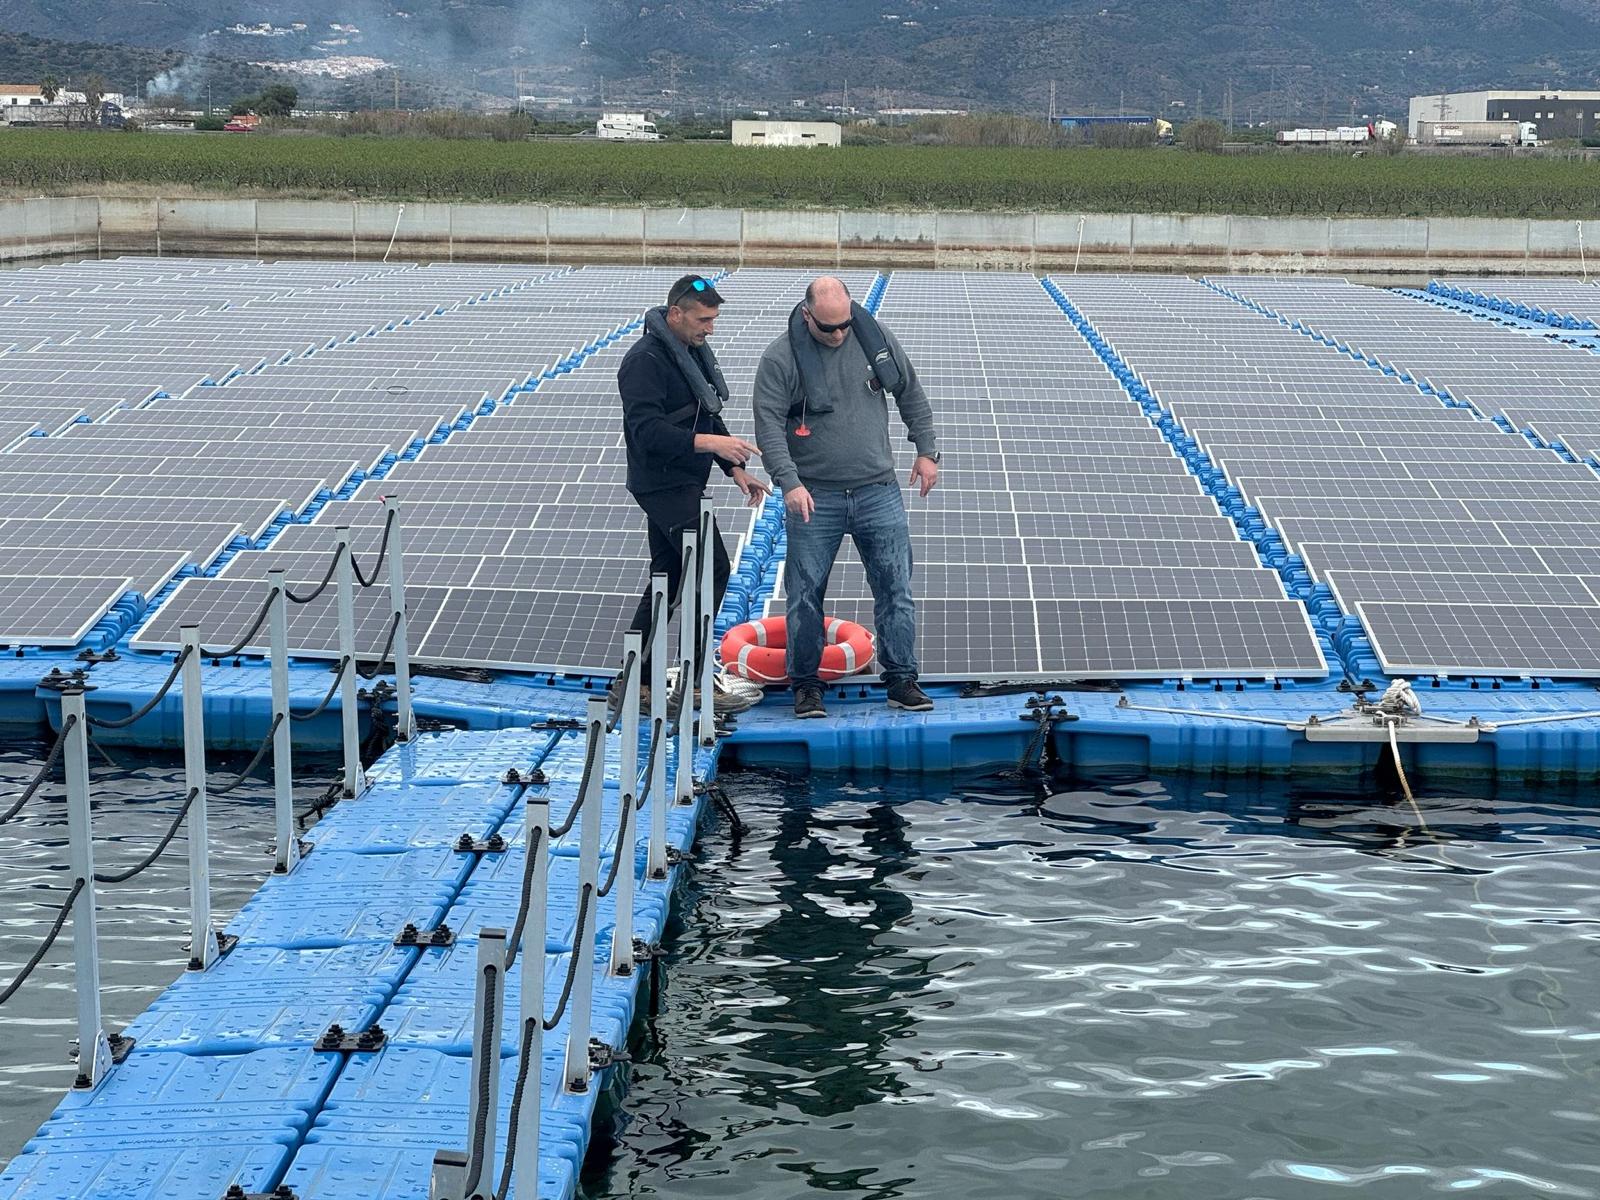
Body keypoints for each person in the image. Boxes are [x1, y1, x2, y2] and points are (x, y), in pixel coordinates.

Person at [752, 276, 940, 719]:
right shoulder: (780, 358)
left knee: (895, 589)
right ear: (806, 315)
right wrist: (789, 482)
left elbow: (910, 392)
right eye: (828, 327)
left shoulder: (875, 339)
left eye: (845, 324)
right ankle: (806, 685)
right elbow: (768, 426)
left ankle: (901, 679)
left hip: (878, 490)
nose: (838, 334)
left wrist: (926, 450)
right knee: (804, 596)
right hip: (815, 496)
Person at [619, 274, 770, 699]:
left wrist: (733, 467)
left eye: (714, 319)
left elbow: (704, 413)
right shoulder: (644, 361)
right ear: (675, 314)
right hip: (661, 484)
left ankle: (636, 680)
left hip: (684, 480)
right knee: (712, 569)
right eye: (704, 320)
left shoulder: (687, 352)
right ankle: (696, 679)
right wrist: (711, 444)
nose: (711, 329)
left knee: (667, 577)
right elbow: (647, 432)